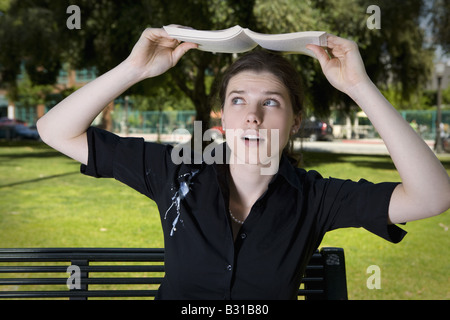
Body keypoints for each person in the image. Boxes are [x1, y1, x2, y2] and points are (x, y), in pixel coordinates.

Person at [37, 28, 450, 300]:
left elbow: (432, 196)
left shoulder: (317, 197)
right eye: (238, 100)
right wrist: (134, 68)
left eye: (270, 102)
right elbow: (56, 130)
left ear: (295, 121)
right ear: (223, 115)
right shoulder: (176, 170)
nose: (252, 115)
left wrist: (359, 87)